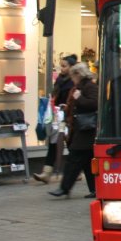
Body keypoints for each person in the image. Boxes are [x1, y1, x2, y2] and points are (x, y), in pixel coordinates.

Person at [49, 62, 97, 198]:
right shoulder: (81, 86)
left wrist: (79, 98)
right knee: (87, 162)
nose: (72, 79)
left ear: (78, 74)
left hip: (86, 130)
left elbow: (94, 103)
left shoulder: (89, 87)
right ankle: (95, 189)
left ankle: (64, 188)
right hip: (82, 129)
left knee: (74, 159)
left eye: (73, 75)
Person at [33, 54, 77, 184]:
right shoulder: (60, 79)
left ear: (71, 67)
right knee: (53, 143)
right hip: (57, 116)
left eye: (64, 66)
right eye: (61, 66)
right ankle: (47, 173)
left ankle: (75, 171)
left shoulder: (73, 82)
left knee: (71, 145)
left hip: (68, 117)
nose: (61, 69)